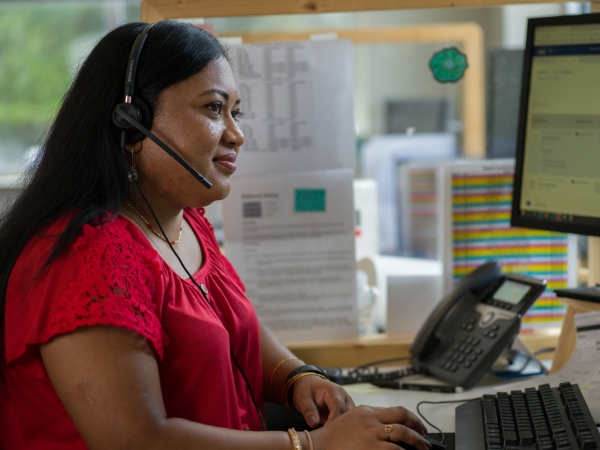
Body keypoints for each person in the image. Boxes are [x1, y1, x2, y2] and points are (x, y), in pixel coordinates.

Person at [0, 21, 432, 450]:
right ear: (131, 124)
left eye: (235, 111)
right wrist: (314, 445)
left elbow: (232, 329)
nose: (237, 134)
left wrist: (296, 376)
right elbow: (135, 440)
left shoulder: (184, 222)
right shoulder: (89, 256)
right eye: (213, 108)